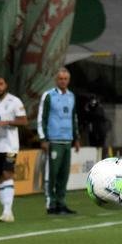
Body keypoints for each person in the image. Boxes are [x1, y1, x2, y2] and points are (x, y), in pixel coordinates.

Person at [0, 76, 27, 223]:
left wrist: (7, 122)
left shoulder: (14, 101)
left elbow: (23, 120)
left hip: (10, 145)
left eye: (0, 84)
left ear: (5, 85)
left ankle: (8, 211)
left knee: (7, 173)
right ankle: (5, 212)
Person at [37, 68, 79, 215]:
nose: (63, 81)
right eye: (60, 79)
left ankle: (61, 203)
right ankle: (51, 204)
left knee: (64, 174)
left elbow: (74, 118)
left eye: (65, 79)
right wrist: (43, 138)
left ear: (69, 80)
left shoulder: (71, 96)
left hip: (67, 140)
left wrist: (77, 137)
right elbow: (41, 117)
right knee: (52, 173)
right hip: (53, 140)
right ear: (56, 80)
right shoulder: (48, 96)